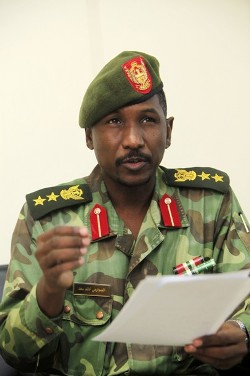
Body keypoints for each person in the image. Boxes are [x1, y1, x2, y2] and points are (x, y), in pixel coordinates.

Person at [0, 50, 250, 376]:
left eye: (148, 120)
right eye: (114, 121)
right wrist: (48, 291)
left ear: (169, 131)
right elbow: (11, 352)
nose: (133, 139)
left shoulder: (210, 203)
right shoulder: (48, 219)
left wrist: (241, 330)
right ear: (89, 136)